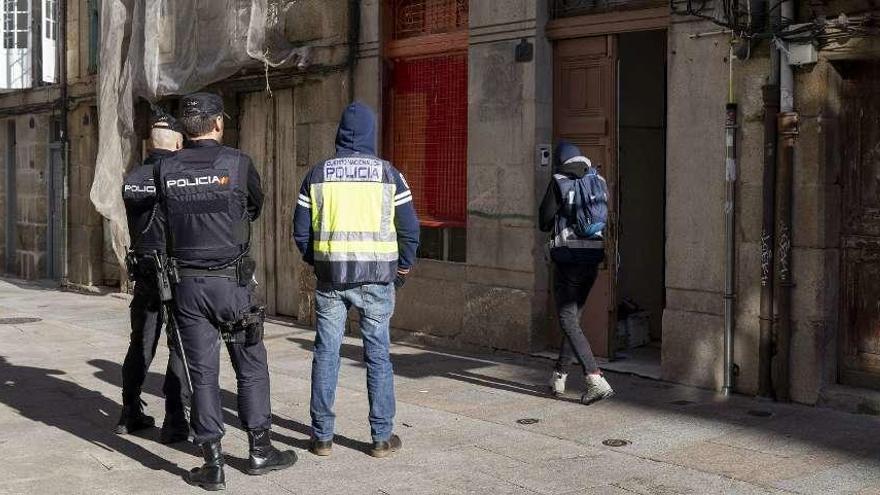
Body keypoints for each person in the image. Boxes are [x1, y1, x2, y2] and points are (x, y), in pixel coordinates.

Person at [155, 92, 296, 491]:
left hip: (188, 287)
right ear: (218, 123)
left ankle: (213, 463)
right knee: (249, 365)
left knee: (202, 373)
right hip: (232, 285)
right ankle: (260, 450)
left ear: (184, 128)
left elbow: (163, 219)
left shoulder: (166, 170)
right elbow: (253, 206)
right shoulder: (238, 163)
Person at [293, 102, 420, 459]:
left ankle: (322, 438)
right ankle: (381, 437)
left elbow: (300, 232)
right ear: (370, 133)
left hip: (332, 279)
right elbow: (409, 228)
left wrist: (319, 263)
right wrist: (404, 268)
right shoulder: (388, 174)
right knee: (378, 356)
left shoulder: (318, 174)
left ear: (340, 133)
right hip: (378, 280)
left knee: (326, 354)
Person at [118, 111, 190, 444]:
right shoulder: (177, 176)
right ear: (177, 142)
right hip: (174, 272)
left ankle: (129, 411)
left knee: (141, 343)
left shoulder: (133, 176)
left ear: (151, 143)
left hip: (144, 269)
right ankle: (175, 420)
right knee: (179, 345)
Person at [538, 141, 615, 405]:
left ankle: (595, 378)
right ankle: (559, 375)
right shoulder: (599, 179)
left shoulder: (560, 180)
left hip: (568, 259)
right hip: (592, 258)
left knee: (567, 319)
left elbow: (543, 220)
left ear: (560, 162)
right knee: (573, 320)